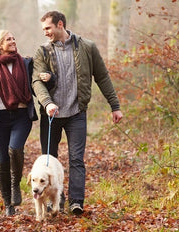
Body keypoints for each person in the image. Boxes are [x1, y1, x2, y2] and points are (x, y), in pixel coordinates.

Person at [32, 11, 124, 215]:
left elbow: (102, 77)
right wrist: (47, 103)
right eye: (43, 29)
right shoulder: (42, 52)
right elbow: (36, 82)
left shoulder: (87, 47)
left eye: (48, 28)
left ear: (60, 24)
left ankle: (76, 202)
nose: (45, 33)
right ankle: (53, 201)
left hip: (76, 113)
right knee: (49, 160)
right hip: (51, 115)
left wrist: (115, 106)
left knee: (76, 159)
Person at [0, 30, 37, 216]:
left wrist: (49, 79)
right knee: (2, 161)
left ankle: (16, 184)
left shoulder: (26, 63)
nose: (13, 41)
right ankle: (8, 205)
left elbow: (38, 86)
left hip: (21, 116)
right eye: (8, 39)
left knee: (15, 149)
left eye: (14, 38)